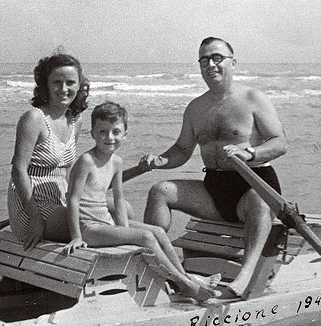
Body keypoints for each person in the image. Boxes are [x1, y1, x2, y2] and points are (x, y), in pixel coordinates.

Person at [139, 37, 288, 299]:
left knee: (260, 202)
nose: (211, 64)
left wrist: (250, 152)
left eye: (217, 57)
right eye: (204, 59)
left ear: (233, 62)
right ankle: (161, 267)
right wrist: (159, 160)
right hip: (215, 189)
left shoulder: (253, 98)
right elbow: (182, 150)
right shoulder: (196, 108)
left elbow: (280, 143)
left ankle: (245, 277)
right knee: (160, 191)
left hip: (254, 185)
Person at [65, 101, 220, 302]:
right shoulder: (87, 161)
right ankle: (185, 284)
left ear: (125, 135)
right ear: (92, 133)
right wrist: (76, 236)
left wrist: (124, 230)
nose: (109, 137)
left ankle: (185, 278)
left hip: (107, 223)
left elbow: (119, 200)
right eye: (102, 132)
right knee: (146, 237)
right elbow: (73, 199)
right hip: (89, 229)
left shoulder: (116, 162)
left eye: (115, 132)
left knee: (158, 232)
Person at [7, 53, 89, 250]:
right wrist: (35, 216)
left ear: (79, 85)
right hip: (31, 207)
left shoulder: (75, 121)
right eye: (56, 82)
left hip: (60, 202)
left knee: (124, 212)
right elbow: (18, 170)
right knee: (92, 224)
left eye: (70, 82)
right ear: (45, 84)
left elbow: (67, 171)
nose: (63, 89)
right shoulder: (34, 118)